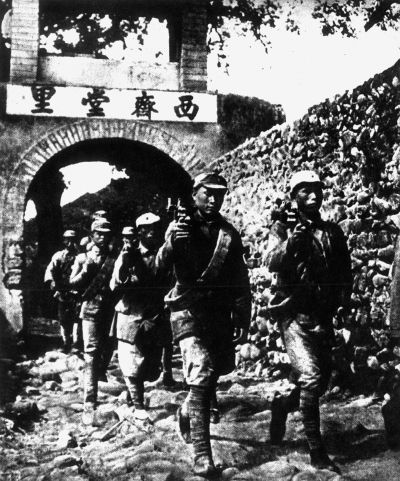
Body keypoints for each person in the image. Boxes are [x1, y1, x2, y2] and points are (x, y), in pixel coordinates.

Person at [160, 172, 251, 476]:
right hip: (186, 311)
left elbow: (240, 278)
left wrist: (242, 315)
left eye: (219, 194)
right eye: (207, 193)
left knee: (212, 375)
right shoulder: (178, 227)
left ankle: (187, 410)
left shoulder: (228, 234)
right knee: (200, 371)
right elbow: (158, 267)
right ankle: (202, 455)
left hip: (217, 315)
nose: (213, 199)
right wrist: (171, 244)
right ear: (194, 195)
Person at [267, 170, 352, 473]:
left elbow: (344, 271)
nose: (314, 196)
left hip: (322, 316)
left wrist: (343, 303)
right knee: (312, 378)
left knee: (318, 382)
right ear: (294, 197)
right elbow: (270, 261)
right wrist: (291, 243)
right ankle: (317, 451)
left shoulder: (332, 232)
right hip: (294, 315)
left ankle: (282, 406)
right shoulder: (283, 229)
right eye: (305, 190)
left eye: (317, 190)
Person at [110, 215, 172, 420]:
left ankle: (131, 394)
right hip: (132, 314)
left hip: (155, 314)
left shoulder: (164, 255)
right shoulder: (129, 255)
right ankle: (138, 406)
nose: (151, 232)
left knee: (151, 366)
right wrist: (125, 264)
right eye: (146, 228)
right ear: (139, 233)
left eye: (154, 227)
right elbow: (115, 283)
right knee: (132, 361)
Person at [69, 218, 116, 425]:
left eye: (106, 233)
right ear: (92, 235)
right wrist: (86, 270)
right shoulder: (83, 258)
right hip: (90, 309)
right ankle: (90, 400)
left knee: (109, 348)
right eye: (99, 233)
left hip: (110, 309)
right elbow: (72, 282)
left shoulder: (114, 257)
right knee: (91, 353)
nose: (103, 237)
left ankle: (100, 375)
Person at [44, 230, 79, 353]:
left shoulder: (81, 255)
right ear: (64, 241)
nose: (70, 243)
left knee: (76, 317)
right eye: (67, 240)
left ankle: (75, 343)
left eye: (73, 240)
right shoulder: (59, 255)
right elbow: (50, 269)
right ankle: (65, 342)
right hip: (63, 290)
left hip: (77, 290)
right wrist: (52, 281)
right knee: (63, 318)